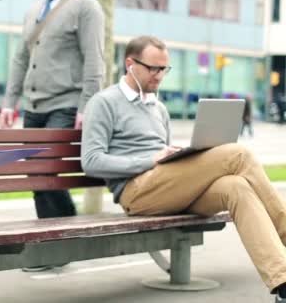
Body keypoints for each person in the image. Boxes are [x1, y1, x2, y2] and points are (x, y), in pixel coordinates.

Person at [81, 35, 286, 303]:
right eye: (153, 68)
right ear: (130, 63)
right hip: (137, 192)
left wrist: (180, 156)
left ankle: (282, 283)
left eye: (164, 69)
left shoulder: (159, 108)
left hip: (169, 188)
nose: (159, 76)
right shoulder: (103, 102)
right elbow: (92, 160)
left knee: (237, 187)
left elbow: (164, 159)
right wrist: (150, 160)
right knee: (239, 154)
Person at [0, 0, 105, 223]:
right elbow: (21, 58)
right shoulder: (34, 9)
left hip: (66, 105)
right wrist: (10, 102)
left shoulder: (85, 6)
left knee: (49, 174)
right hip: (33, 107)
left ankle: (60, 238)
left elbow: (94, 59)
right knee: (37, 175)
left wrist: (86, 105)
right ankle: (55, 238)